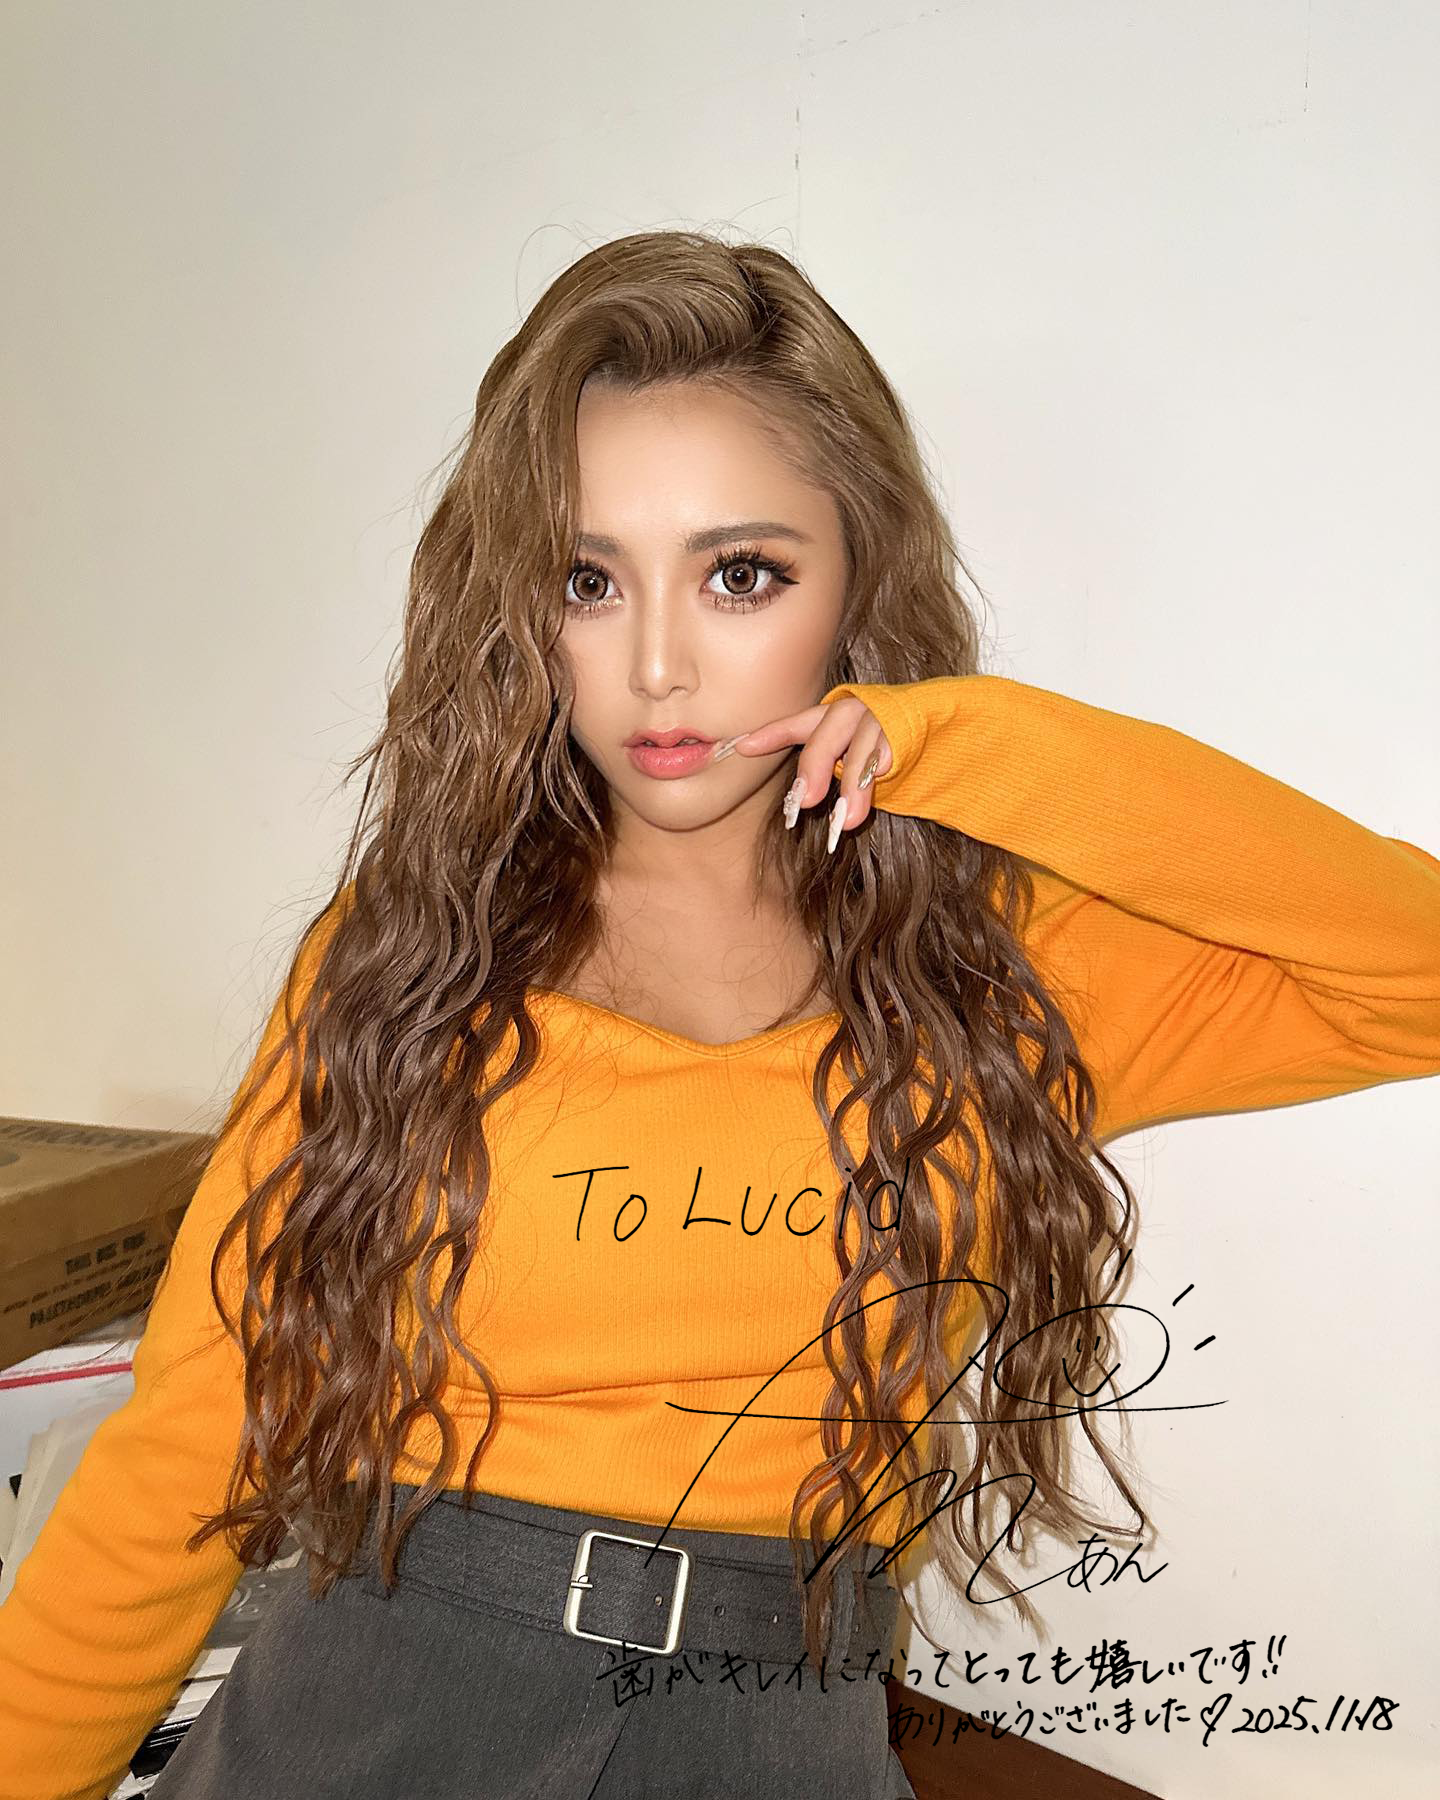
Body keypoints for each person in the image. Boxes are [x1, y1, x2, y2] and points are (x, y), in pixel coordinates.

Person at [1, 229, 1437, 1800]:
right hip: (382, 1708)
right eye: (588, 581)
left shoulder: (996, 980)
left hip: (781, 1724)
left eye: (741, 575)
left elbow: (1413, 968)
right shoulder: (417, 959)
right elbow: (195, 1433)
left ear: (856, 585)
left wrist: (970, 749)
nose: (659, 666)